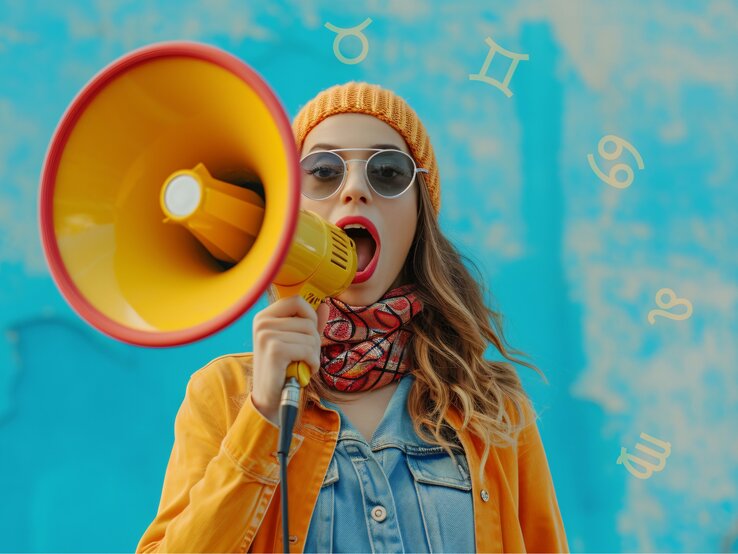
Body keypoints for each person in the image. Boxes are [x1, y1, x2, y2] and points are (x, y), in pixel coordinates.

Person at [136, 81, 569, 553]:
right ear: (288, 210)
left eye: (387, 172)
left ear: (418, 214)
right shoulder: (226, 395)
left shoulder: (491, 406)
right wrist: (261, 415)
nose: (356, 189)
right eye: (323, 171)